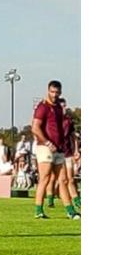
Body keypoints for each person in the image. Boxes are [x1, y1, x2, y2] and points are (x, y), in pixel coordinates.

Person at [32, 80, 80, 219]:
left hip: (59, 148)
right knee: (45, 178)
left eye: (57, 92)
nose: (54, 95)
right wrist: (47, 142)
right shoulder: (42, 107)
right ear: (48, 91)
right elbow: (35, 127)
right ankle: (39, 210)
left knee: (63, 180)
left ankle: (70, 211)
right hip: (45, 147)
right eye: (52, 92)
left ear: (60, 92)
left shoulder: (59, 107)